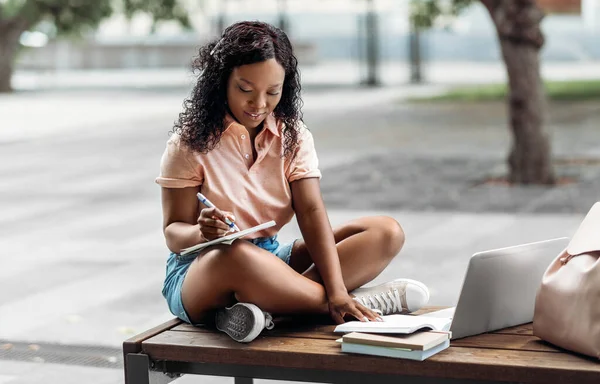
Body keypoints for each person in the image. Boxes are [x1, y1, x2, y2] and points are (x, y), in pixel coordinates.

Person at [156, 21, 429, 343]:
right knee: (235, 253)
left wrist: (338, 287)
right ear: (221, 82)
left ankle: (274, 311)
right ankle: (343, 304)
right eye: (245, 89)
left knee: (385, 232)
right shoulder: (189, 142)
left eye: (273, 92)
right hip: (200, 270)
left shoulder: (292, 136)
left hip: (271, 260)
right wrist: (202, 232)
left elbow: (311, 212)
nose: (259, 105)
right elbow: (174, 233)